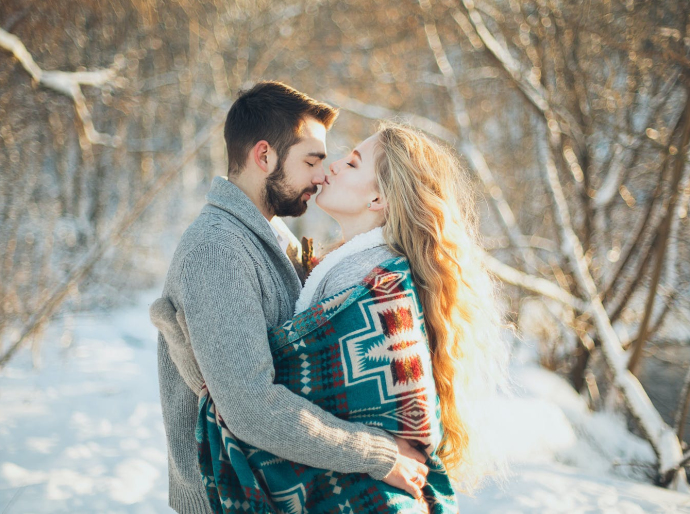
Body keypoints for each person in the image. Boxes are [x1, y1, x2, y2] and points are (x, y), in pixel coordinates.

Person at [153, 122, 510, 512]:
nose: (331, 168)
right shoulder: (344, 264)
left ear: (378, 199)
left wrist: (188, 352)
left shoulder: (366, 285)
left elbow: (258, 403)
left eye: (353, 164)